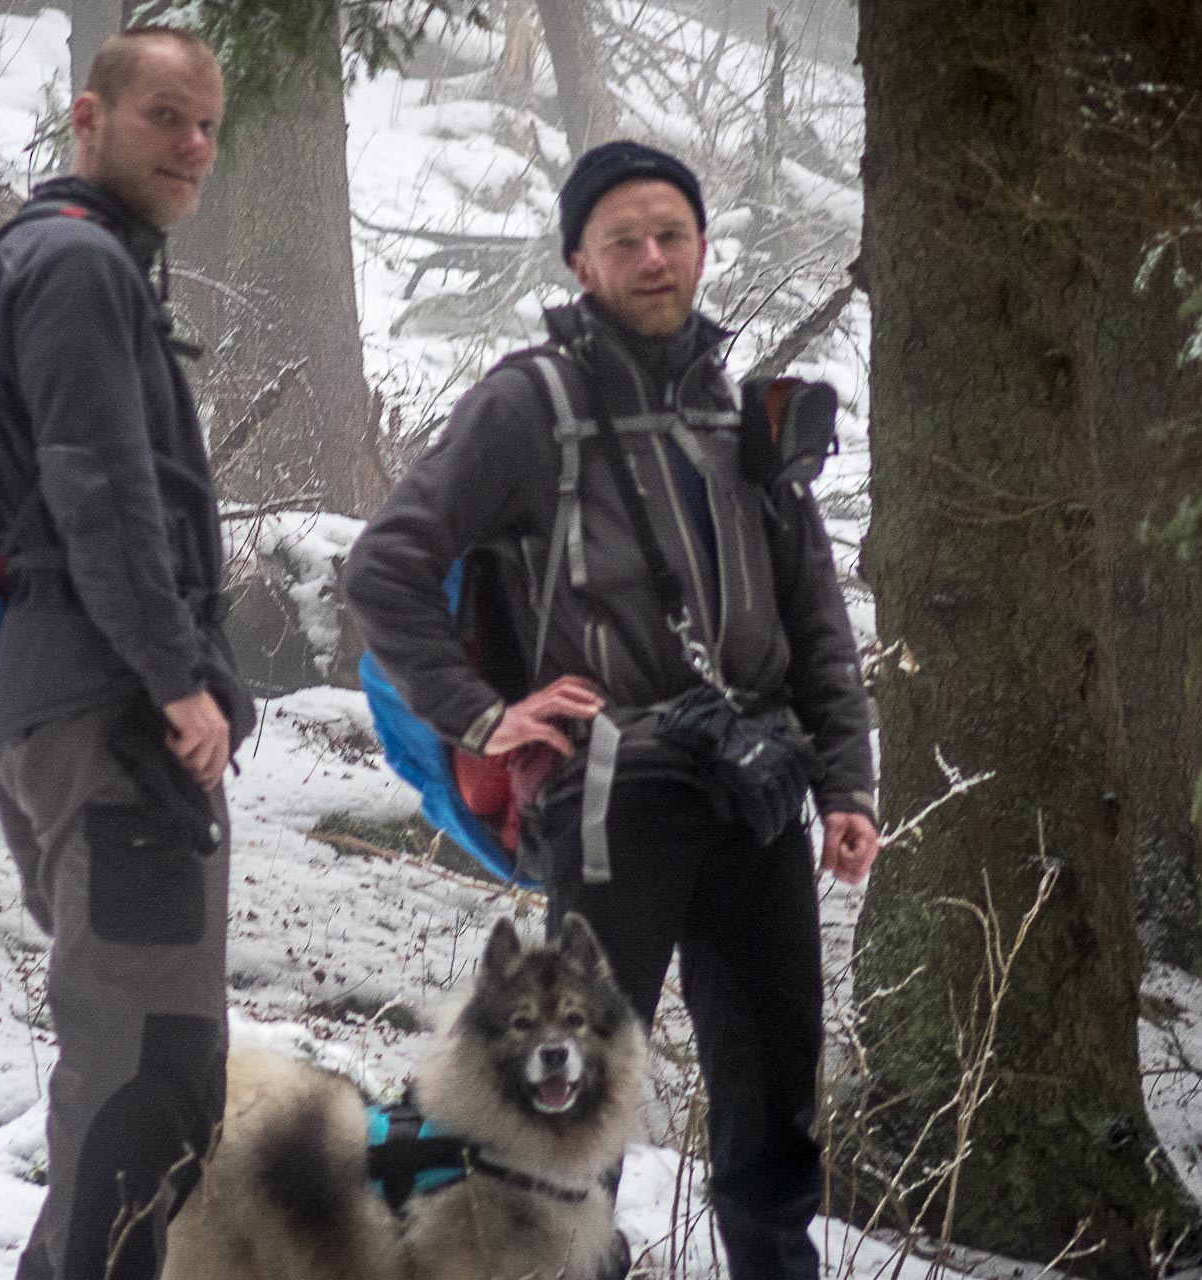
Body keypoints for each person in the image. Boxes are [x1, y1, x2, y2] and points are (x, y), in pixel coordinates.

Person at [343, 140, 880, 1280]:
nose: (653, 257)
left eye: (672, 234)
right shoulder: (526, 406)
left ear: (700, 246)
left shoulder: (744, 414)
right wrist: (486, 715)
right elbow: (386, 566)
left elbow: (812, 612)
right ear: (578, 261)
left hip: (757, 792)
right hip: (607, 794)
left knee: (775, 1094)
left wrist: (847, 781)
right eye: (624, 239)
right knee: (568, 1096)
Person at [0, 26, 255, 1280]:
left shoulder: (61, 262)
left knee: (138, 1075)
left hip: (50, 700)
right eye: (164, 117)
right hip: (110, 712)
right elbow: (101, 494)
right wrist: (178, 676)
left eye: (207, 126)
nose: (193, 145)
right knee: (147, 1082)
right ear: (89, 117)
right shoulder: (77, 267)